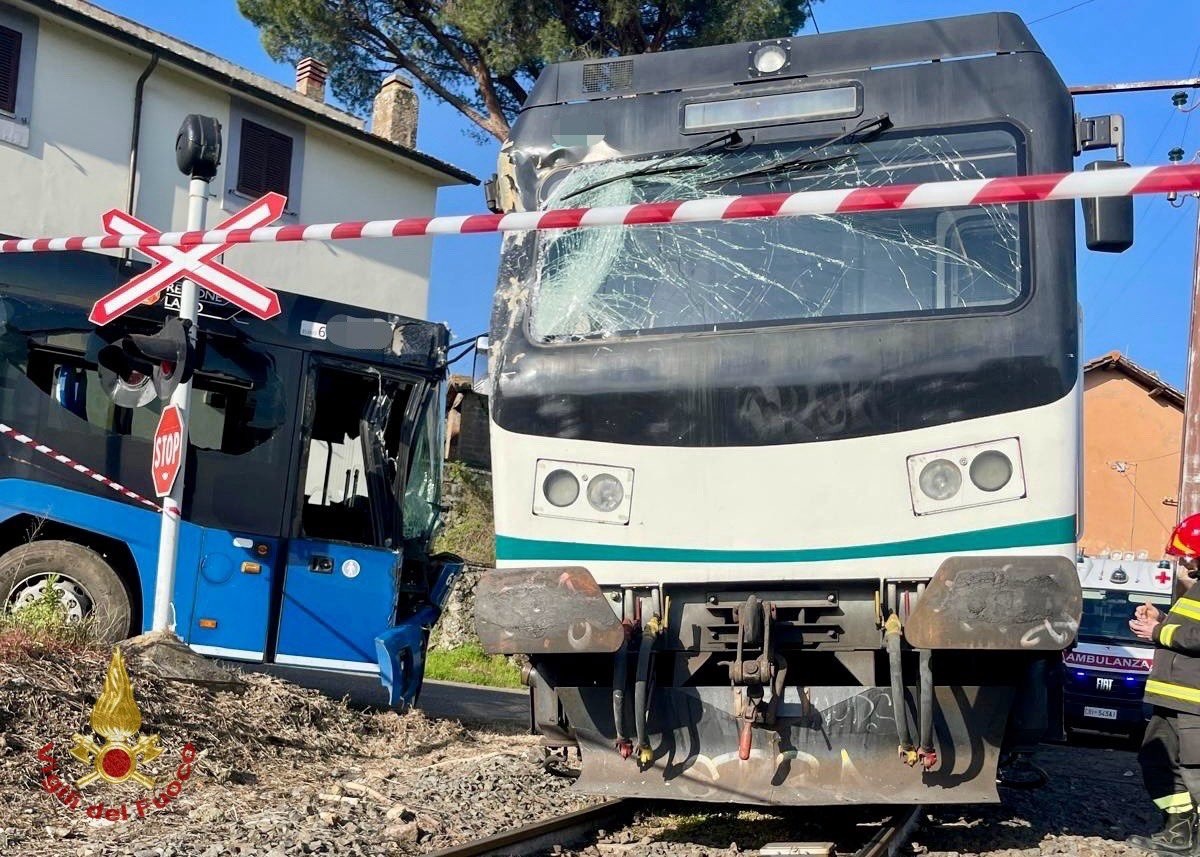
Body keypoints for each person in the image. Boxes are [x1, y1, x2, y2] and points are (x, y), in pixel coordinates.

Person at [1128, 514, 1200, 855]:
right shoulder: (1196, 588)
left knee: (1196, 770)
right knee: (1156, 760)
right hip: (1172, 699)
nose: (1185, 559)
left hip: (1195, 703)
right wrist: (1162, 620)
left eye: (1189, 552)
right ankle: (1179, 831)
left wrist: (1157, 632)